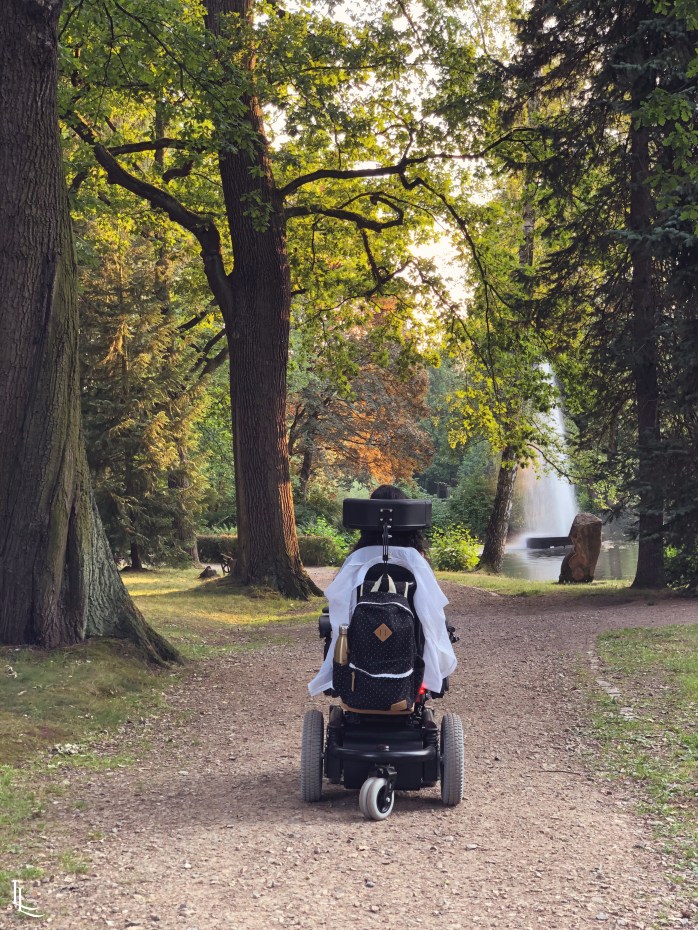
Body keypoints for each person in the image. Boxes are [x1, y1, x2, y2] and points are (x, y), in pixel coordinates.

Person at [307, 485, 457, 697]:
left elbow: (339, 605)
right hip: (407, 656)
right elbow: (432, 610)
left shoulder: (357, 560)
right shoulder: (415, 561)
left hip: (359, 659)